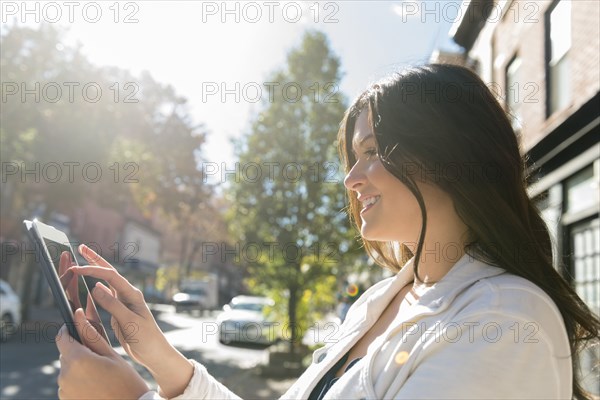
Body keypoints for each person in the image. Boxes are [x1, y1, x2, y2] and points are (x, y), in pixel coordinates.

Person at [56, 64, 599, 399]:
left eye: (370, 153)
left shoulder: (502, 321)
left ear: (448, 156)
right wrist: (160, 359)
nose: (351, 177)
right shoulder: (379, 304)